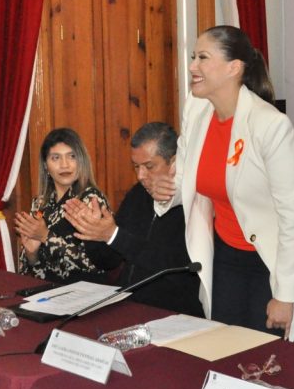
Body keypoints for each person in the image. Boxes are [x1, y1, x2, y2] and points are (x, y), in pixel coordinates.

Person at [151, 25, 294, 340]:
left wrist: (285, 295)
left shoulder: (271, 125)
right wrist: (165, 193)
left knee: (264, 355)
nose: (192, 66)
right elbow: (185, 177)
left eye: (202, 57)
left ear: (233, 68)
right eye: (193, 57)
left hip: (271, 259)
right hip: (225, 252)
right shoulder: (196, 108)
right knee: (225, 345)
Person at [64, 122, 204, 317]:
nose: (140, 176)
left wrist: (113, 235)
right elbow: (109, 262)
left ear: (174, 163)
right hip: (126, 303)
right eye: (136, 167)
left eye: (149, 166)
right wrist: (93, 233)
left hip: (174, 311)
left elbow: (175, 269)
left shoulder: (195, 202)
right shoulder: (137, 195)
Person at [14, 128, 118, 283]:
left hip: (87, 289)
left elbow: (97, 265)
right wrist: (32, 254)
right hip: (49, 289)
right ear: (45, 165)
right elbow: (33, 270)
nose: (64, 165)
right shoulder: (40, 203)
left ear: (81, 161)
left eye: (72, 156)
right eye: (56, 158)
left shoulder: (91, 199)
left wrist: (46, 237)